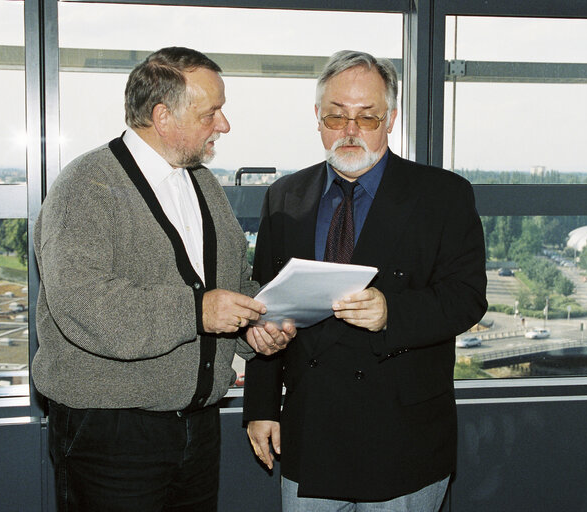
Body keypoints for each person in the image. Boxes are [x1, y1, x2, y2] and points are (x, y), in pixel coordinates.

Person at [33, 46, 295, 512]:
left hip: (197, 428)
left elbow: (227, 288)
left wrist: (255, 327)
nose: (224, 125)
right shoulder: (85, 188)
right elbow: (83, 306)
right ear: (162, 116)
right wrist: (197, 312)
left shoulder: (203, 184)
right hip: (111, 434)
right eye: (211, 112)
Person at [243, 50, 487, 511]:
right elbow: (265, 303)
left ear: (391, 119)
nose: (350, 131)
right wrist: (259, 407)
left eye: (367, 117)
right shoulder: (284, 197)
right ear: (317, 117)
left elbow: (467, 298)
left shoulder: (443, 195)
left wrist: (392, 312)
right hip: (309, 433)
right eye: (336, 116)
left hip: (403, 437)